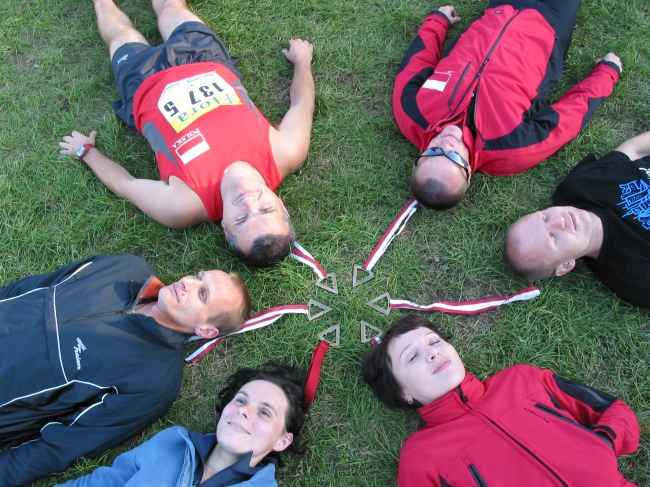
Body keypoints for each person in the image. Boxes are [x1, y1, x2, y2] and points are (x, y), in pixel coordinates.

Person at [59, 0, 315, 267]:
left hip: (143, 83)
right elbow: (302, 104)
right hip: (204, 57)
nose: (248, 201)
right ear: (282, 206)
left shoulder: (184, 206)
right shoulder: (285, 152)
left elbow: (126, 184)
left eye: (241, 219)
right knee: (171, 8)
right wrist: (302, 61)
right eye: (266, 209)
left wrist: (85, 151)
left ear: (226, 228)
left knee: (119, 31)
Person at [0, 254, 251, 486]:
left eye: (202, 294)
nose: (188, 282)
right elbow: (32, 288)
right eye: (198, 277)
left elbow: (61, 447)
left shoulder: (155, 382)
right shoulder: (126, 268)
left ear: (205, 330)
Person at [394, 1, 622, 210]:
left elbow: (417, 61)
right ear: (469, 174)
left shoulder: (411, 112)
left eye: (434, 152)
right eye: (454, 157)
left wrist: (437, 21)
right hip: (550, 25)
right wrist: (607, 74)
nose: (447, 143)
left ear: (418, 161)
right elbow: (570, 116)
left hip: (500, 9)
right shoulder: (511, 149)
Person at [363, 315, 640, 486]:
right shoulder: (422, 456)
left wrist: (601, 445)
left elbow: (612, 409)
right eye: (412, 356)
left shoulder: (521, 379)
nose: (432, 353)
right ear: (402, 392)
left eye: (434, 342)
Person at [55, 363, 307, 487]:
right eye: (241, 400)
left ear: (282, 441)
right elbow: (103, 482)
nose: (244, 411)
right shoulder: (172, 443)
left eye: (264, 412)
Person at [505, 131, 650, 307]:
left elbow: (634, 150)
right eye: (553, 237)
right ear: (565, 266)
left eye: (545, 217)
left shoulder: (576, 187)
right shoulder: (635, 276)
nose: (560, 220)